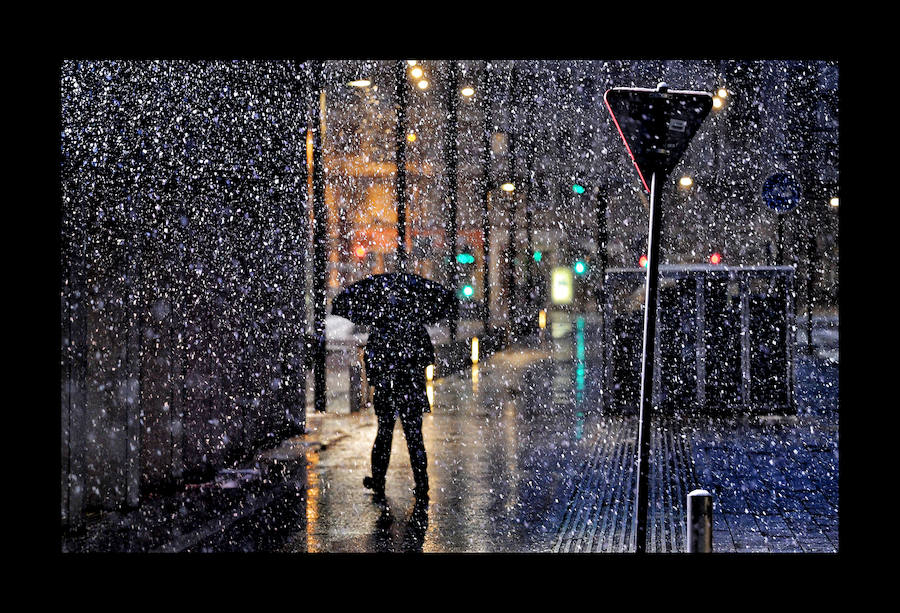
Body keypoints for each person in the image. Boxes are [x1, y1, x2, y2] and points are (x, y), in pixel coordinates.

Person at [362, 320, 434, 503]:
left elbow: (369, 358)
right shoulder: (416, 326)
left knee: (384, 437)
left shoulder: (380, 328)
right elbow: (428, 357)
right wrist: (411, 368)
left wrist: (380, 377)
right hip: (411, 391)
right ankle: (422, 483)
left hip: (388, 392)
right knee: (414, 438)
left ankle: (378, 480)